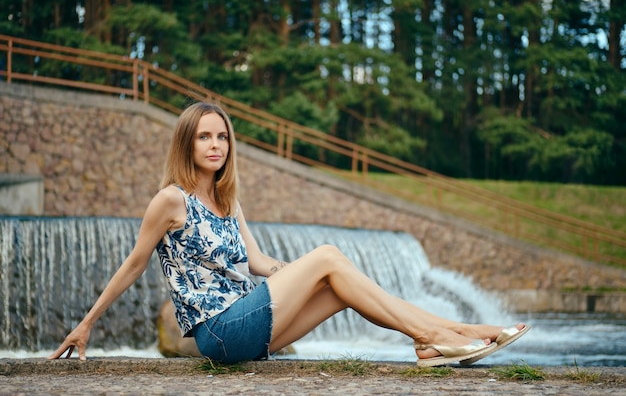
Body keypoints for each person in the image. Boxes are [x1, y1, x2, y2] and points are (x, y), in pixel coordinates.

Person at [49, 102, 529, 367]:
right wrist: (87, 323)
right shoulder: (171, 200)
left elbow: (258, 263)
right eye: (204, 136)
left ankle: (446, 336)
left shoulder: (227, 199)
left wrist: (302, 274)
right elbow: (134, 263)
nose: (216, 145)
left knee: (338, 286)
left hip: (249, 328)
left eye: (222, 137)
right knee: (327, 257)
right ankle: (443, 335)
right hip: (218, 331)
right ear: (186, 143)